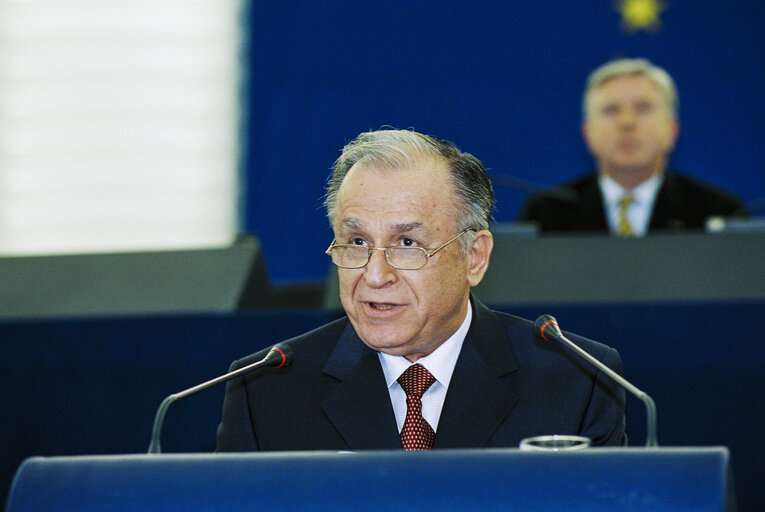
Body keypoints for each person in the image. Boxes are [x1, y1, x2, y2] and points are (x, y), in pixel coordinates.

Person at [217, 129, 626, 451]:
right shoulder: (268, 388)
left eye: (407, 244)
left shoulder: (576, 382)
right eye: (357, 242)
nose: (375, 276)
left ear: (475, 256)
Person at [519, 58, 746, 235]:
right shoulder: (547, 215)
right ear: (587, 133)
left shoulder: (719, 213)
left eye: (643, 108)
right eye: (611, 110)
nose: (627, 122)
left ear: (672, 130)